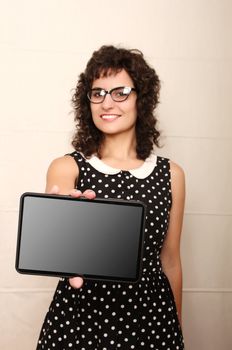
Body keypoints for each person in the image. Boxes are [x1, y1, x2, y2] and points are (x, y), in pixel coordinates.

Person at [36, 45, 185, 349]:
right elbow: (62, 246)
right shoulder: (67, 168)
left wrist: (177, 328)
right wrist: (64, 222)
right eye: (98, 93)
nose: (107, 102)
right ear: (86, 101)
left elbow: (170, 260)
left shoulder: (172, 175)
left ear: (140, 99)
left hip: (151, 321)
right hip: (81, 322)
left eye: (120, 92)